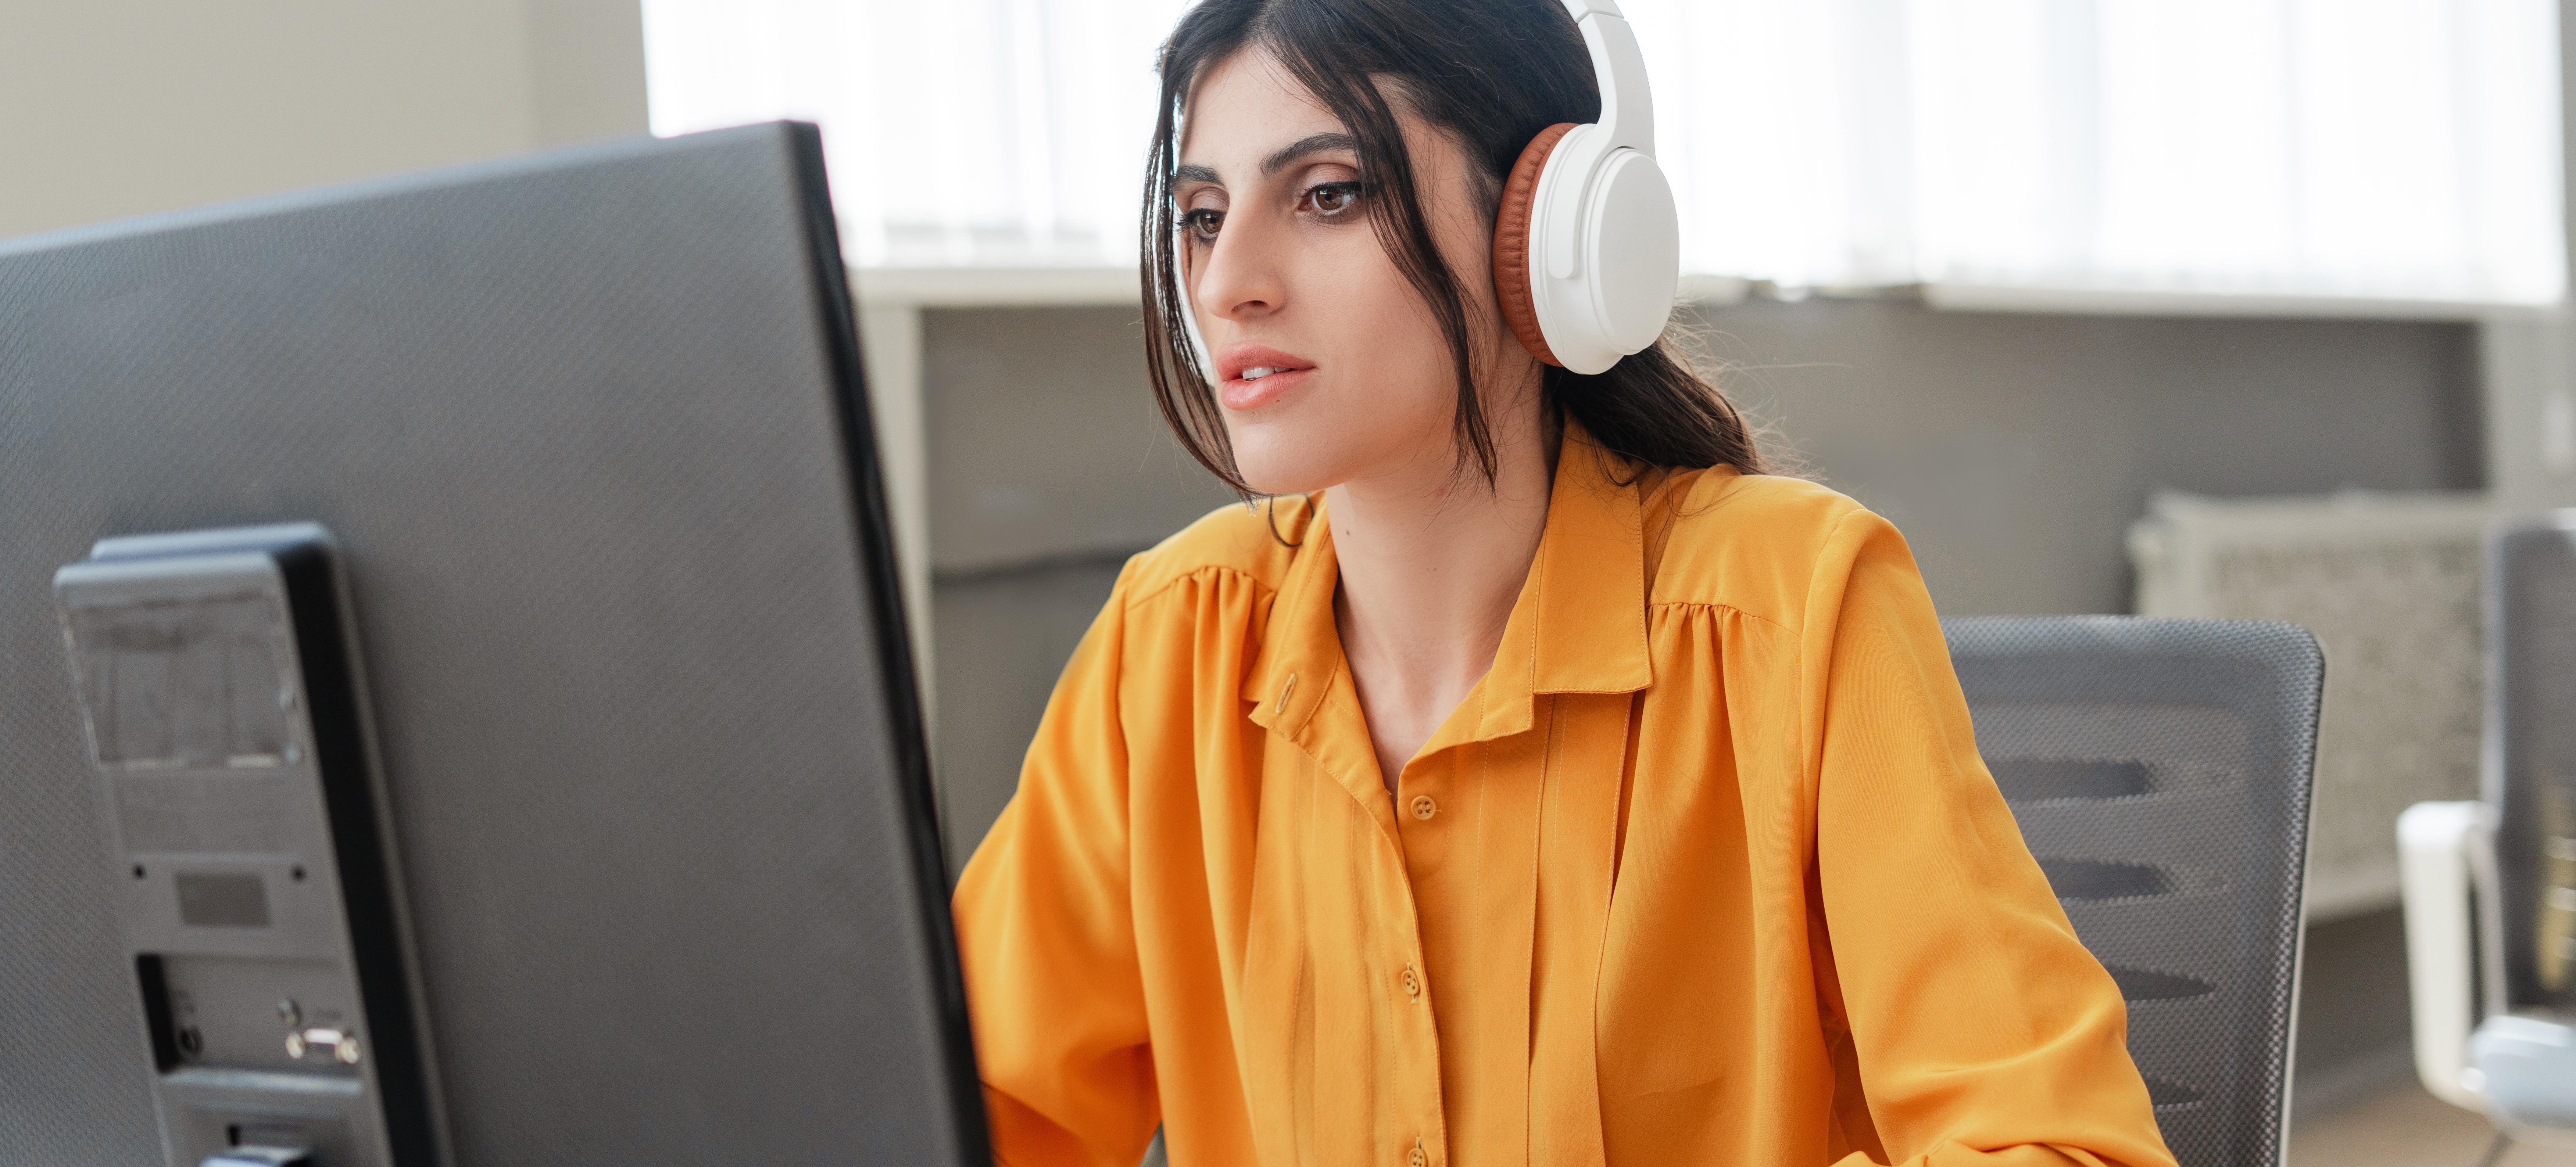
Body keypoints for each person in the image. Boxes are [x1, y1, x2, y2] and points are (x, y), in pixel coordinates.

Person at [951, 1, 2179, 1164]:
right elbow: (969, 1111)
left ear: (1547, 232)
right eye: (1205, 215)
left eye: (1327, 195)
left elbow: (2058, 1142)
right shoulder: (1172, 642)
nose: (1227, 286)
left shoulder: (1798, 610)